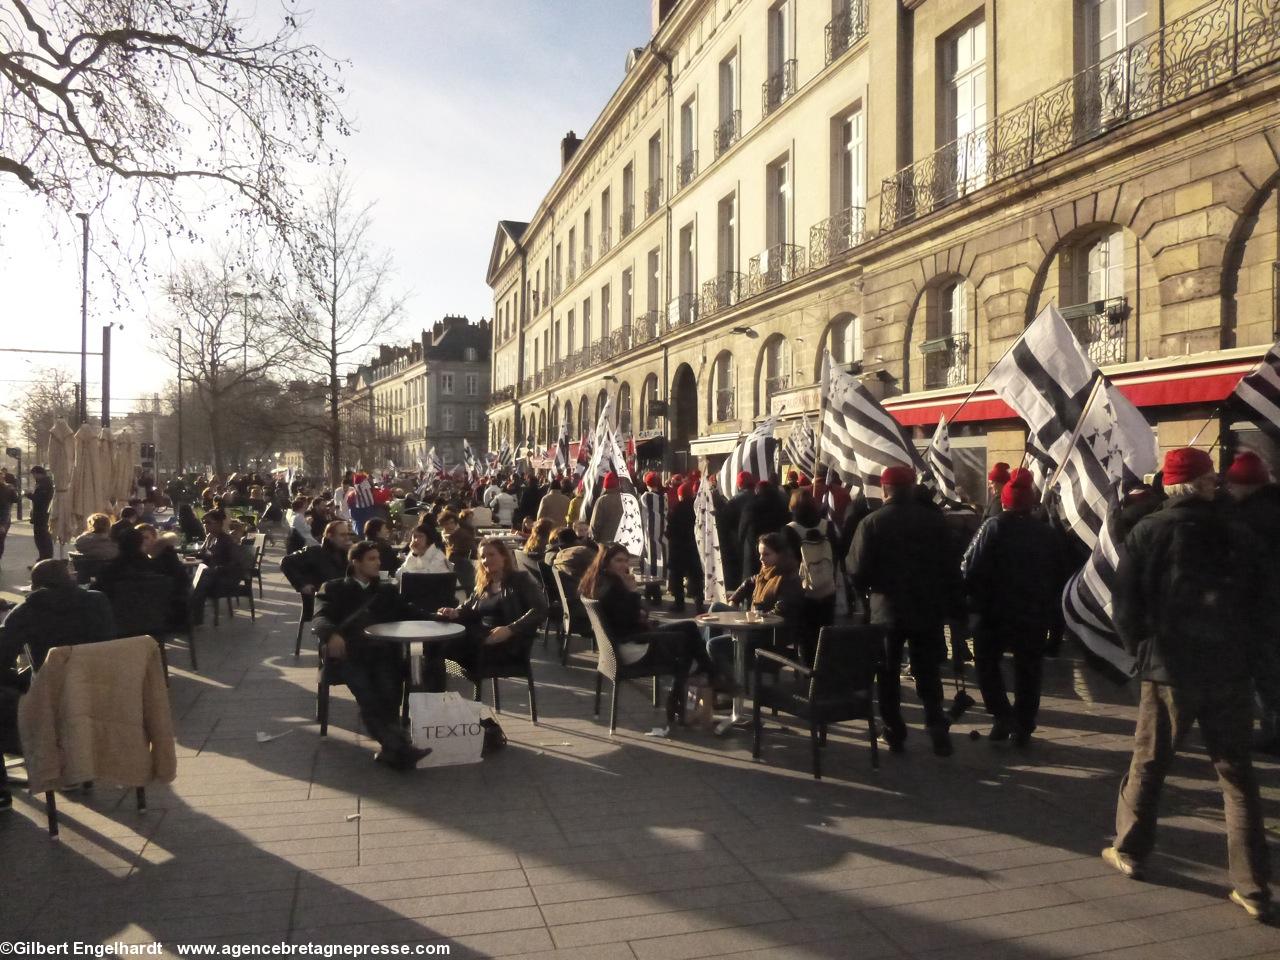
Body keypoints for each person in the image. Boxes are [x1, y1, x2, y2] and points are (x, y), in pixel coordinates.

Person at [1101, 448, 1275, 919]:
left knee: (1151, 761)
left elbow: (1125, 605)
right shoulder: (1240, 532)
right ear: (1202, 483)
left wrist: (1141, 651)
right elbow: (1265, 606)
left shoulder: (1149, 531)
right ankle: (1253, 887)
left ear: (1171, 486)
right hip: (1230, 667)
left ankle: (1131, 849)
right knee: (1237, 777)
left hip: (1170, 668)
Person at [850, 465, 961, 757]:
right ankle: (936, 723)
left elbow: (856, 571)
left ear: (885, 489)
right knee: (927, 671)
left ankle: (894, 731)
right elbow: (951, 566)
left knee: (887, 673)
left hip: (887, 611)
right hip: (927, 607)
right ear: (912, 487)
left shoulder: (872, 523)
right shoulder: (935, 521)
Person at [0, 559, 117, 808]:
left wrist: (19, 677)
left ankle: (41, 760)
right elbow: (109, 641)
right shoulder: (98, 601)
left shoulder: (27, 612)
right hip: (101, 685)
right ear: (69, 578)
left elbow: (3, 657)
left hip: (51, 691)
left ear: (35, 585)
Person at [962, 472, 1063, 746]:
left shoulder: (993, 526)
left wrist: (971, 596)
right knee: (1029, 669)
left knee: (986, 664)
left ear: (1005, 502)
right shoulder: (1047, 533)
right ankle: (1025, 723)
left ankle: (1002, 714)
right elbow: (1059, 571)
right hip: (1033, 612)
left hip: (993, 611)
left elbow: (968, 566)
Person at [312, 541, 431, 771]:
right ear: (356, 562)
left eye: (378, 558)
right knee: (368, 694)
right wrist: (332, 634)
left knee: (389, 689)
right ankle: (399, 746)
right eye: (371, 559)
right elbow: (319, 618)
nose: (378, 563)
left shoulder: (385, 590)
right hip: (350, 656)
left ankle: (393, 748)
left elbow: (408, 611)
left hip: (383, 655)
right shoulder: (334, 588)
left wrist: (438, 616)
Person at [579, 544, 725, 723]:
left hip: (620, 645)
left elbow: (629, 616)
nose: (623, 565)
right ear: (605, 562)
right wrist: (633, 593)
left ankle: (698, 684)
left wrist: (638, 608)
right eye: (618, 560)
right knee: (686, 644)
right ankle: (701, 685)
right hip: (632, 647)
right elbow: (626, 622)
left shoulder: (601, 580)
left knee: (689, 627)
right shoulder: (611, 587)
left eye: (626, 560)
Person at [434, 538, 548, 688]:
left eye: (491, 555)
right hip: (481, 640)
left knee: (440, 648)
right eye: (482, 557)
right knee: (437, 639)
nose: (486, 560)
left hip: (507, 646)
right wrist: (455, 612)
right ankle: (430, 689)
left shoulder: (521, 580)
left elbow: (541, 609)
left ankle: (431, 689)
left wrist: (511, 629)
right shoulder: (485, 584)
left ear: (504, 557)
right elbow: (469, 606)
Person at [665, 481, 703, 612]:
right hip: (694, 547)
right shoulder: (697, 508)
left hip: (678, 548)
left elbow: (670, 530)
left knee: (677, 576)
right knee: (696, 576)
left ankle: (679, 603)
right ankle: (699, 603)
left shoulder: (676, 509)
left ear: (680, 495)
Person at [440, 511, 477, 595]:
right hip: (451, 570)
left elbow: (474, 552)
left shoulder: (461, 535)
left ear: (456, 523)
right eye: (446, 524)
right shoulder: (445, 536)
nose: (449, 526)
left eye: (452, 523)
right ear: (442, 525)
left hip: (463, 572)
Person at [25, 465, 53, 562]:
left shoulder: (45, 484)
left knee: (42, 537)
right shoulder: (42, 483)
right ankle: (43, 557)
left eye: (34, 474)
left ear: (38, 473)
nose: (33, 477)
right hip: (40, 514)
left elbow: (40, 499)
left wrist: (29, 495)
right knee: (40, 537)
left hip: (42, 514)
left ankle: (46, 558)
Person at [589, 472, 624, 544]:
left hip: (606, 542)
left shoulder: (602, 500)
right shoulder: (627, 499)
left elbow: (595, 525)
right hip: (624, 542)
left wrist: (593, 540)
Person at [0, 470, 16, 569]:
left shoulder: (6, 489)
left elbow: (5, 507)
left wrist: (2, 524)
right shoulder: (8, 488)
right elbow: (15, 500)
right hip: (4, 520)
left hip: (3, 520)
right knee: (1, 541)